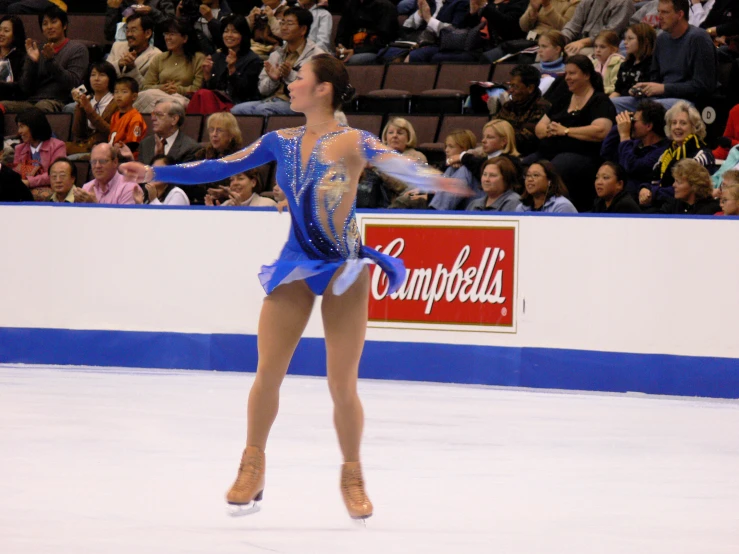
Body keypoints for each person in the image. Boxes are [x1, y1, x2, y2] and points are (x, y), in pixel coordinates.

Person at [119, 53, 470, 521]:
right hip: (296, 263)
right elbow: (220, 166)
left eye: (300, 76)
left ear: (323, 88)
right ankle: (252, 465)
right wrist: (156, 172)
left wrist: (439, 179)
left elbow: (398, 165)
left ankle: (352, 472)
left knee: (341, 383)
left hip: (344, 267)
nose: (292, 82)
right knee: (268, 372)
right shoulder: (278, 140)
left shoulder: (353, 140)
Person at [530, 54, 615, 211]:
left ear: (587, 75)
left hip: (584, 156)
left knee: (557, 168)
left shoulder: (599, 100)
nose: (567, 78)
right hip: (550, 152)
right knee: (523, 165)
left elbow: (601, 130)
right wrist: (551, 130)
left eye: (572, 73)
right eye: (566, 73)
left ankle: (558, 210)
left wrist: (566, 131)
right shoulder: (563, 99)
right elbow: (539, 129)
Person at [611, 0, 717, 113]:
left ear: (680, 15)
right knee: (610, 105)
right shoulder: (662, 39)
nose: (659, 17)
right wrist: (643, 89)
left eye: (665, 12)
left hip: (687, 101)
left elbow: (703, 86)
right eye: (658, 12)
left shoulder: (698, 39)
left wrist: (664, 89)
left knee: (647, 111)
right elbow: (655, 77)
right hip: (660, 98)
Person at [232, 7, 324, 116]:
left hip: (300, 104)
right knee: (236, 110)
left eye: (289, 24)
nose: (284, 28)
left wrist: (290, 75)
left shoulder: (316, 56)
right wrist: (273, 79)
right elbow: (262, 90)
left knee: (263, 109)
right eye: (282, 23)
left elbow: (313, 89)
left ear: (303, 29)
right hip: (272, 100)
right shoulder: (276, 54)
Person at [3, 5, 88, 113]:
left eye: (53, 22)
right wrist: (32, 62)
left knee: (39, 109)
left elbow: (73, 82)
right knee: (2, 105)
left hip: (59, 101)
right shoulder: (36, 49)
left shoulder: (77, 49)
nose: (49, 27)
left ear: (64, 25)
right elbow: (25, 88)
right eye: (45, 24)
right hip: (32, 101)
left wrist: (51, 61)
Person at [639, 100, 714, 209]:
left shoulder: (702, 154)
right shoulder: (666, 154)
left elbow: (686, 188)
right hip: (663, 204)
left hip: (688, 208)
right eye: (674, 123)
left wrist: (653, 193)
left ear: (694, 127)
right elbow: (654, 180)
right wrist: (644, 189)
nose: (677, 127)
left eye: (683, 123)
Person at [189, 14, 262, 114]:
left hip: (238, 104)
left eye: (234, 32)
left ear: (243, 35)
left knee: (203, 95)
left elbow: (246, 92)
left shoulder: (253, 60)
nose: (229, 35)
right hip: (214, 101)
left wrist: (232, 70)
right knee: (201, 95)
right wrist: (207, 77)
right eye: (226, 31)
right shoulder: (217, 57)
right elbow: (210, 89)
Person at [600, 99, 668, 197]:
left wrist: (624, 135)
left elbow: (631, 167)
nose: (631, 124)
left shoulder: (662, 151)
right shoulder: (636, 144)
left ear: (648, 126)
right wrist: (620, 125)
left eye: (634, 121)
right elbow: (606, 151)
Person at [135, 17, 205, 113]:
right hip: (158, 96)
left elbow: (198, 89)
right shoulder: (159, 58)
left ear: (184, 38)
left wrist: (178, 90)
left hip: (184, 100)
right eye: (166, 34)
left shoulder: (198, 58)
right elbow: (146, 86)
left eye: (172, 34)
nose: (167, 38)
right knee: (142, 96)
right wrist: (161, 88)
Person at [497, 65, 552, 156]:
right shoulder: (509, 106)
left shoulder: (543, 108)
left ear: (530, 88)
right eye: (510, 86)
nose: (510, 90)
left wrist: (498, 137)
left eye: (515, 87)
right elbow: (494, 127)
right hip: (503, 149)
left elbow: (525, 140)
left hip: (527, 155)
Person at [12, 107, 66, 200]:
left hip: (51, 189)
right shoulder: (19, 149)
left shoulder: (57, 146)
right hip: (24, 190)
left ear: (34, 126)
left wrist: (29, 182)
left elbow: (55, 175)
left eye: (22, 126)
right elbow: (16, 176)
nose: (19, 131)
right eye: (18, 127)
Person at [66, 62, 118, 157]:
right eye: (93, 75)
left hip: (104, 149)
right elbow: (78, 133)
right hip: (85, 146)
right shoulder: (88, 100)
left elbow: (112, 132)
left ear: (110, 79)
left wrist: (90, 111)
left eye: (102, 75)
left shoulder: (116, 103)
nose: (96, 79)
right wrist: (80, 107)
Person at [429, 129, 480, 210]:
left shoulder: (471, 167)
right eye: (446, 146)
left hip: (473, 209)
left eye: (451, 146)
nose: (446, 150)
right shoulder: (449, 168)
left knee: (463, 169)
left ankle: (437, 212)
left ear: (464, 149)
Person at [335, 0, 399, 65]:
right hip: (351, 51)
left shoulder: (385, 6)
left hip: (376, 52)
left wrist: (355, 51)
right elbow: (341, 34)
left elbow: (384, 41)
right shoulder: (351, 5)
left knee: (354, 60)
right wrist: (341, 49)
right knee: (328, 60)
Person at [106, 13, 162, 86]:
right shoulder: (117, 46)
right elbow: (104, 72)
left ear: (147, 33)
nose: (129, 34)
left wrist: (132, 69)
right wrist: (119, 64)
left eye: (133, 30)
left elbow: (147, 88)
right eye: (127, 30)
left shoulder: (157, 57)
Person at [138, 98, 200, 164]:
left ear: (174, 119)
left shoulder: (190, 148)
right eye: (153, 114)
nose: (153, 118)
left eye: (159, 114)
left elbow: (180, 173)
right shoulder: (145, 144)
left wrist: (160, 160)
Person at [561, 0, 634, 56]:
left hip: (605, 47)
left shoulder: (624, 3)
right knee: (553, 47)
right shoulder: (587, 1)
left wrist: (582, 42)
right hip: (580, 42)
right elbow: (573, 25)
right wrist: (559, 40)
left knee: (573, 53)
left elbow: (610, 34)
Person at [610, 22, 655, 99]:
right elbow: (617, 91)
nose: (625, 42)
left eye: (630, 38)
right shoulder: (625, 65)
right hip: (623, 101)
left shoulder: (652, 64)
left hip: (640, 101)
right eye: (625, 38)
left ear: (645, 41)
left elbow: (650, 89)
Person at [104, 0, 175, 44]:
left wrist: (152, 12)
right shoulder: (122, 2)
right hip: (125, 48)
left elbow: (171, 26)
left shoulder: (161, 1)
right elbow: (109, 35)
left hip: (156, 49)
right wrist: (113, 9)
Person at [109, 77, 147, 154]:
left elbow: (133, 144)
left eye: (124, 92)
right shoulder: (114, 116)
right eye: (116, 92)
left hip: (128, 156)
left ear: (134, 96)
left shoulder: (135, 117)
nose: (119, 95)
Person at [206, 168, 277, 207]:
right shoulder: (226, 205)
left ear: (253, 182)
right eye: (232, 180)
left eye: (240, 178)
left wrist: (240, 211)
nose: (235, 183)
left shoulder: (268, 205)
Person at [0, 15, 28, 102]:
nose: (1, 33)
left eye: (6, 31)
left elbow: (22, 87)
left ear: (15, 35)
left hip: (11, 101)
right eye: (0, 29)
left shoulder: (22, 58)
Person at [590, 30, 623, 95]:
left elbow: (616, 87)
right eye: (596, 46)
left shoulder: (619, 63)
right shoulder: (593, 63)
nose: (597, 50)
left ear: (614, 49)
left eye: (602, 47)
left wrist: (596, 91)